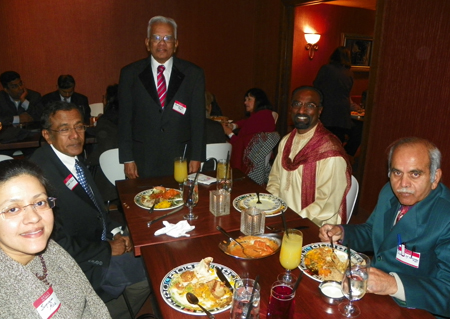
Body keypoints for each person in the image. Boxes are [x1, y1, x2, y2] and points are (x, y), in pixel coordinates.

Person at [29, 101, 149, 319]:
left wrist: (115, 231)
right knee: (149, 270)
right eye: (64, 129)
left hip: (98, 239)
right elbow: (53, 245)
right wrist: (106, 249)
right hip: (77, 263)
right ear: (47, 135)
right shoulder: (39, 177)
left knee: (148, 237)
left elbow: (96, 207)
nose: (75, 135)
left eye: (79, 126)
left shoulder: (72, 160)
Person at [319, 137, 450, 318]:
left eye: (415, 174)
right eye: (397, 173)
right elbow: (373, 232)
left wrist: (392, 284)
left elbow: (447, 293)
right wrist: (343, 233)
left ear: (435, 178)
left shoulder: (446, 217)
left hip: (416, 309)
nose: (403, 184)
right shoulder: (389, 191)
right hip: (374, 294)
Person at [0, 159, 111, 318]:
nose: (34, 218)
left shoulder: (51, 249)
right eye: (12, 209)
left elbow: (90, 300)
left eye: (39, 203)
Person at [118, 15, 206, 178]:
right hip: (142, 158)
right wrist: (127, 158)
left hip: (180, 156)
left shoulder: (193, 74)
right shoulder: (130, 74)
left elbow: (198, 119)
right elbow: (124, 119)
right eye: (156, 38)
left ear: (176, 43)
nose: (162, 43)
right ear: (147, 43)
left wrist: (197, 156)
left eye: (168, 38)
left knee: (180, 201)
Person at [266, 86, 351, 226]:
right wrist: (271, 208)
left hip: (314, 226)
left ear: (320, 111)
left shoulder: (329, 152)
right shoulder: (286, 141)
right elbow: (275, 180)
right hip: (283, 218)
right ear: (290, 108)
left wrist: (292, 221)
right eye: (297, 104)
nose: (301, 110)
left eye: (310, 105)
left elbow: (326, 203)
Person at [222, 88, 276, 174]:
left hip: (249, 160)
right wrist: (234, 125)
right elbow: (247, 122)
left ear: (258, 101)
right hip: (260, 158)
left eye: (249, 99)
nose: (245, 102)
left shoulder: (258, 119)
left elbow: (243, 146)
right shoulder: (265, 114)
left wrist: (229, 133)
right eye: (245, 99)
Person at [87, 84, 120, 201]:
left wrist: (88, 161)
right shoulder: (131, 115)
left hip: (108, 176)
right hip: (130, 167)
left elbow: (106, 145)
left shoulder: (106, 120)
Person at [313, 46, 354, 143]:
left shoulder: (327, 69)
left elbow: (316, 86)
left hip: (328, 109)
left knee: (322, 138)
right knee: (338, 140)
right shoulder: (349, 73)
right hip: (343, 110)